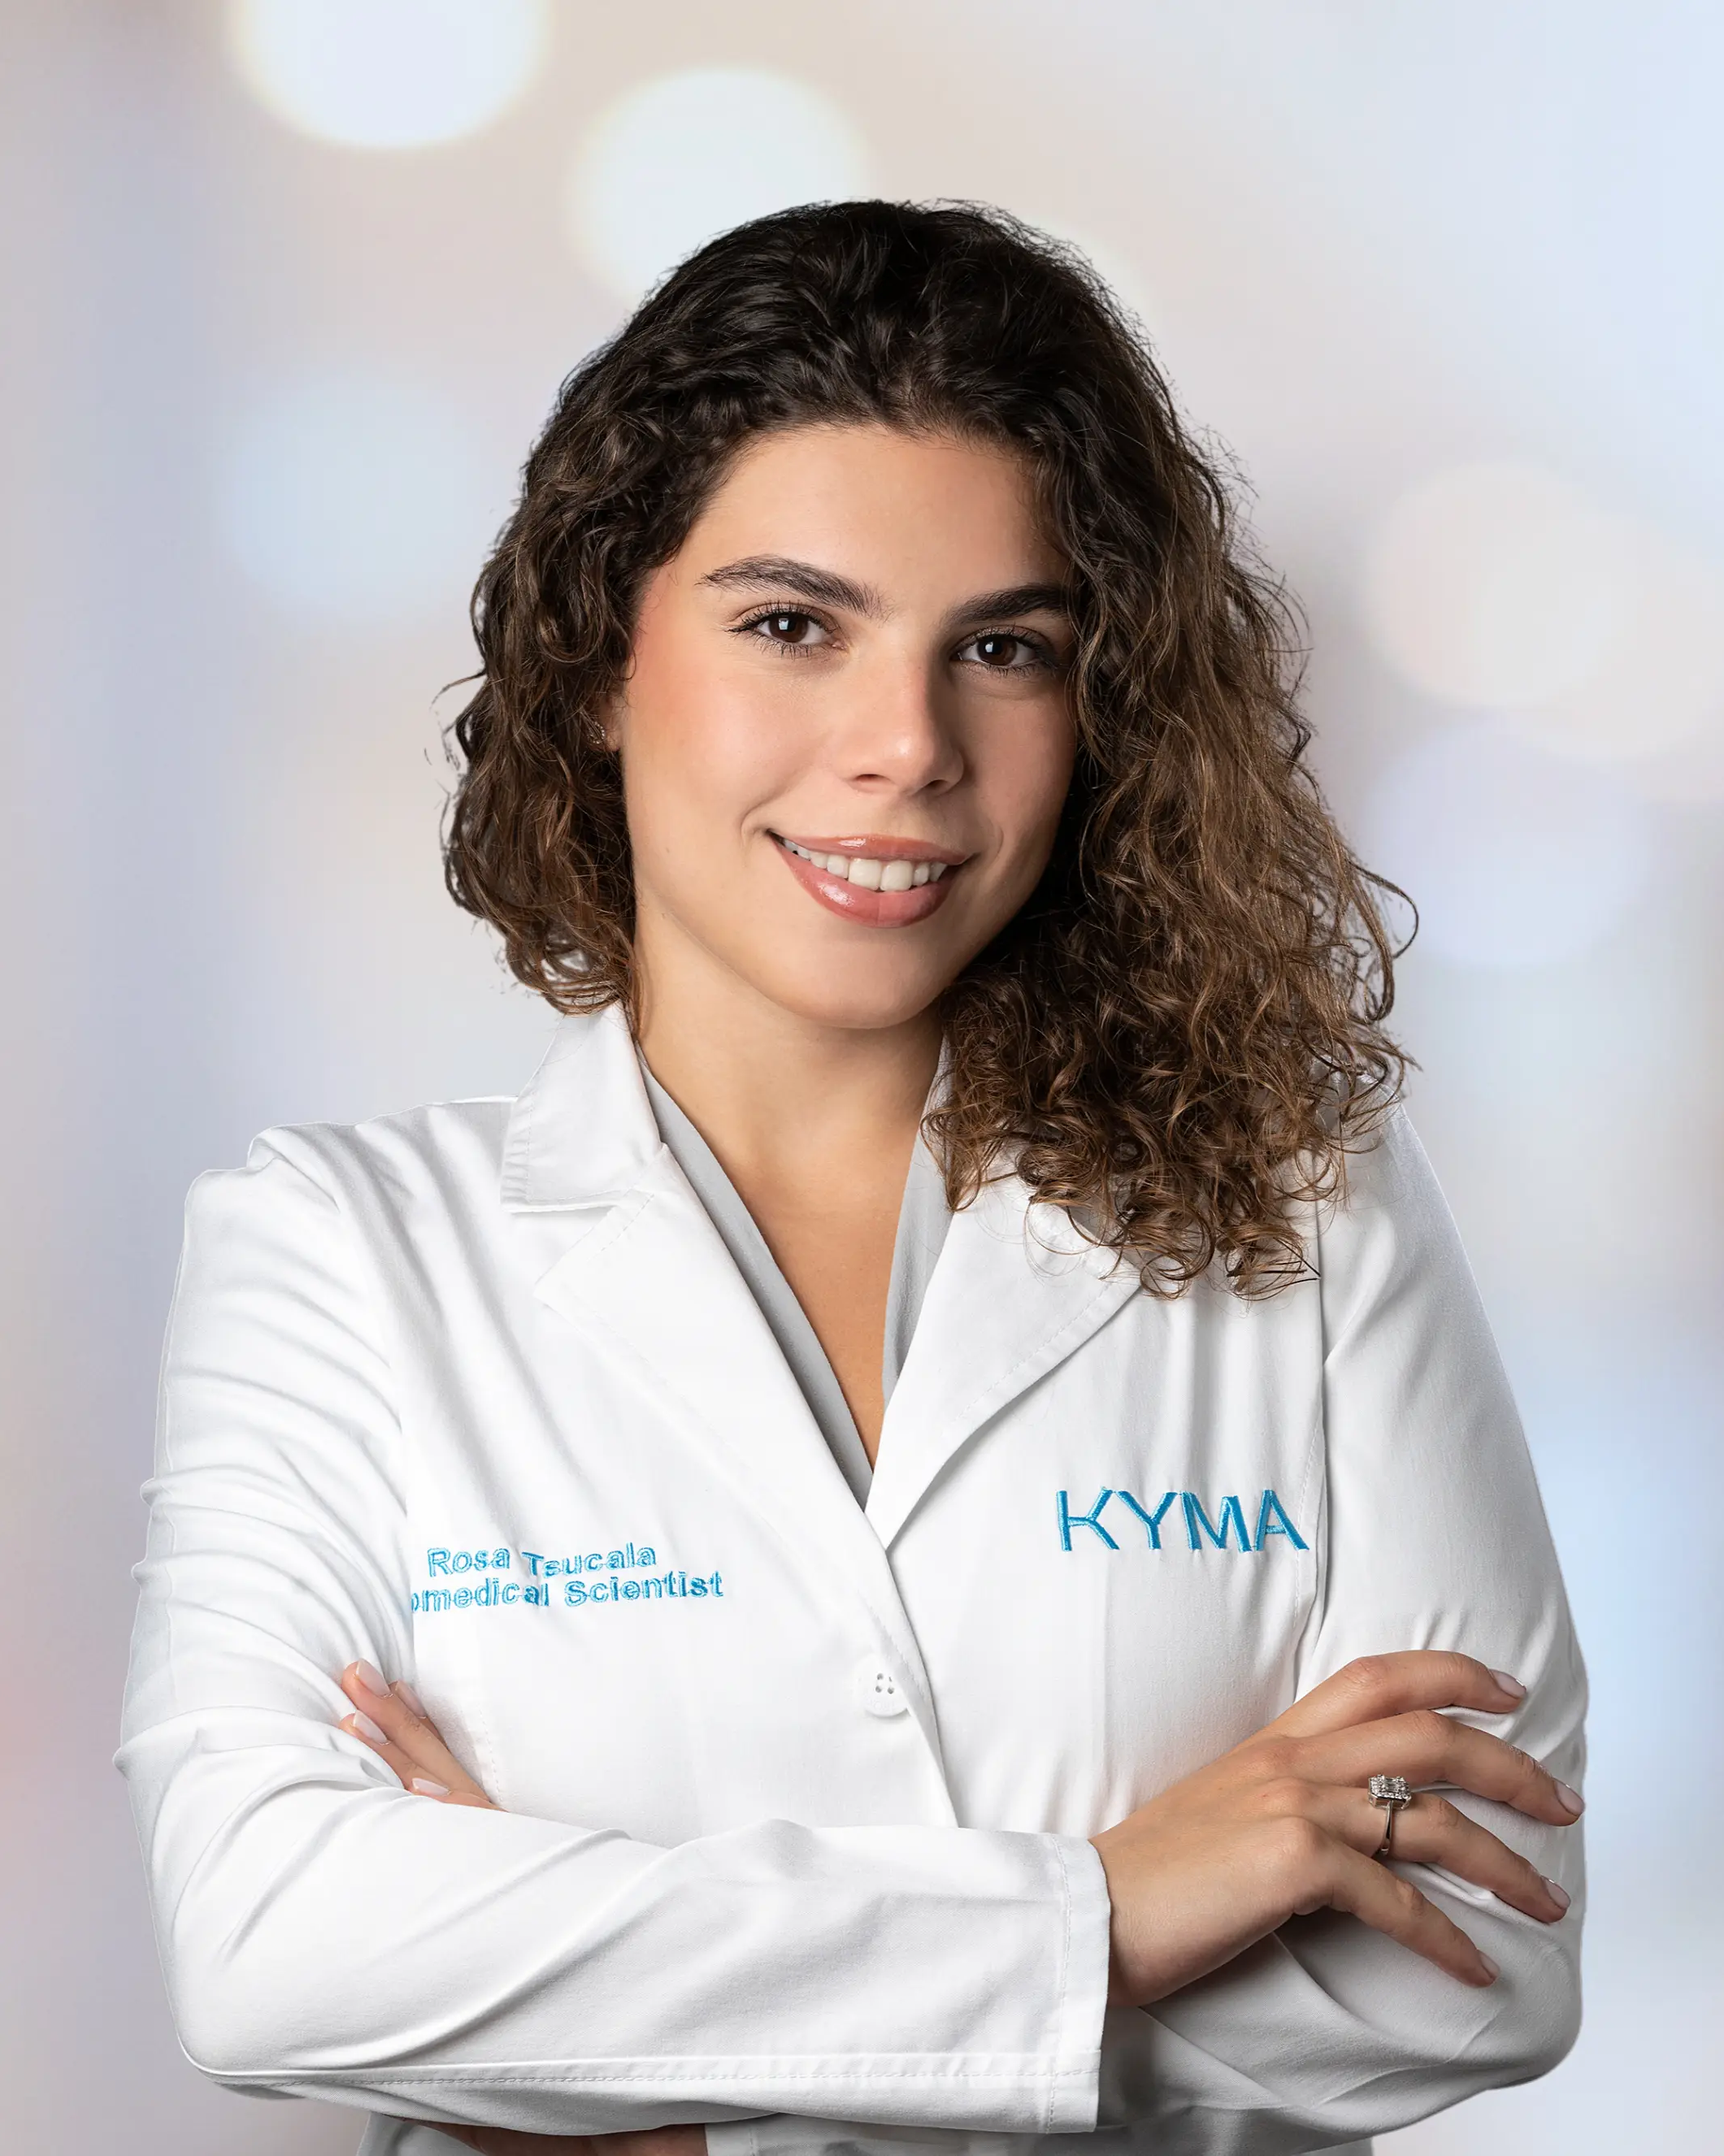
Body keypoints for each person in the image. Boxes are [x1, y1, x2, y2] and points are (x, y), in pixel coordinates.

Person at [119, 202, 1585, 2156]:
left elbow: (1474, 1959)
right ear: (595, 662)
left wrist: (633, 2082)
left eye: (1003, 648)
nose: (904, 746)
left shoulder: (1302, 1208)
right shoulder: (342, 1256)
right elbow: (271, 1943)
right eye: (791, 625)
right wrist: (1116, 1905)